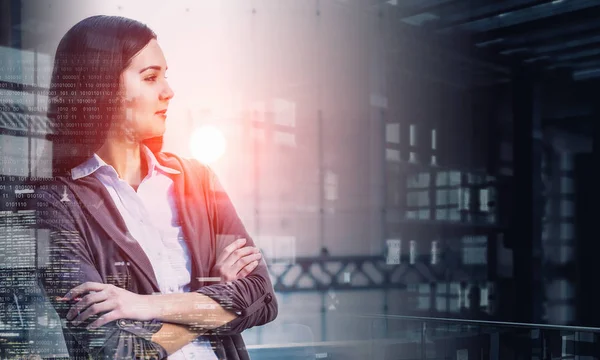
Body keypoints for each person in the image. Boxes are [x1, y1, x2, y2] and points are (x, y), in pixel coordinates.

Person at [36, 15, 278, 359]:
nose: (168, 91)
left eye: (165, 76)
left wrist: (145, 306)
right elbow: (114, 351)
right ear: (100, 87)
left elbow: (262, 296)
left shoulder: (199, 180)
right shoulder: (56, 204)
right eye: (150, 78)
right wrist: (218, 297)